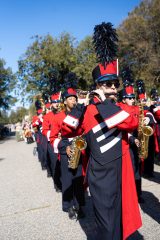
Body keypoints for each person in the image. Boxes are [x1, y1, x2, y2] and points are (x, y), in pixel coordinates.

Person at [50, 88, 85, 220]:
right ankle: (68, 206)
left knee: (79, 180)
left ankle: (80, 205)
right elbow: (53, 138)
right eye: (71, 99)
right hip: (65, 150)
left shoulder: (79, 114)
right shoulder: (58, 117)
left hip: (78, 148)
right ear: (65, 101)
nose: (74, 101)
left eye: (75, 99)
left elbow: (83, 130)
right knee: (67, 180)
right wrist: (65, 148)